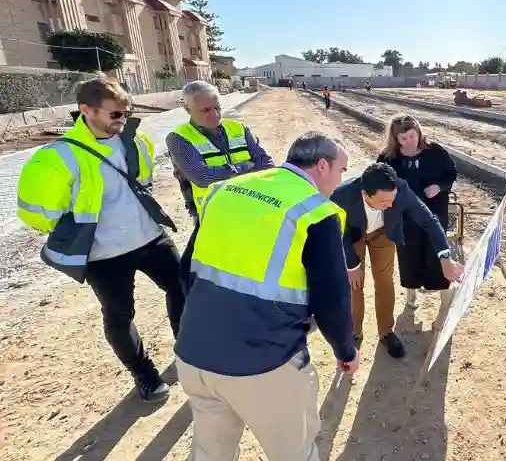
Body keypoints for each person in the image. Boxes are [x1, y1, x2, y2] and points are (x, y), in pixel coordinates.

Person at [174, 132, 358, 461]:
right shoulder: (315, 211)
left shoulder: (226, 189)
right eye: (341, 170)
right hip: (264, 364)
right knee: (295, 453)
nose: (341, 179)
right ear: (321, 166)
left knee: (209, 452)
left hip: (194, 354)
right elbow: (332, 299)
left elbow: (187, 269)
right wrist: (345, 349)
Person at [16, 77, 184, 403]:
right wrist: (73, 223)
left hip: (149, 237)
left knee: (183, 286)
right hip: (103, 254)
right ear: (86, 111)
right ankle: (144, 373)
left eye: (125, 112)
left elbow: (142, 182)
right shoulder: (57, 158)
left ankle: (187, 347)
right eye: (115, 114)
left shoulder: (134, 140)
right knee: (120, 316)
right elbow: (36, 214)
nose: (122, 120)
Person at [330, 163, 464, 358]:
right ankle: (354, 334)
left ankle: (386, 332)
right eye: (383, 200)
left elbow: (429, 220)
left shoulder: (400, 189)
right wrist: (352, 265)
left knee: (384, 282)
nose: (391, 205)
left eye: (393, 199)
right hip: (352, 237)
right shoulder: (340, 196)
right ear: (365, 194)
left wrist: (444, 257)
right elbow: (337, 234)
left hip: (383, 234)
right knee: (354, 285)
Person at [376, 115, 457, 314]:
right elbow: (379, 180)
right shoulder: (389, 158)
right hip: (405, 217)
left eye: (411, 136)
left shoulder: (435, 151)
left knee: (436, 251)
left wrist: (439, 187)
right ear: (395, 139)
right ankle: (411, 292)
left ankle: (443, 294)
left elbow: (451, 173)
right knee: (408, 254)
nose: (408, 142)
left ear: (418, 132)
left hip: (435, 211)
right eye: (402, 139)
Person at [167, 80, 274, 226]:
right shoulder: (179, 138)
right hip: (213, 217)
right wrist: (245, 167)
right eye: (205, 110)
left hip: (250, 209)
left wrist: (226, 173)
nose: (215, 114)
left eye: (217, 108)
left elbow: (266, 164)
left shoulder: (238, 128)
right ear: (187, 109)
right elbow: (203, 177)